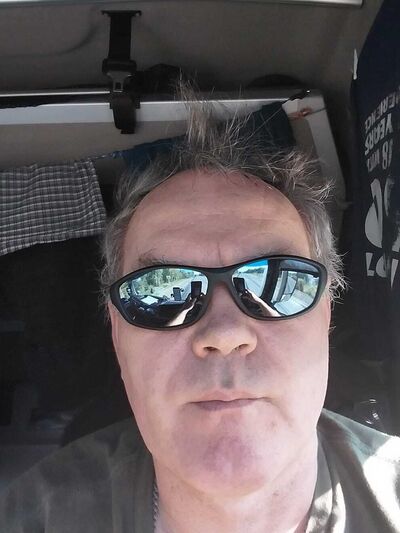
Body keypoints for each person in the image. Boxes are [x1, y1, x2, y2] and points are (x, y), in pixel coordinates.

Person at [1, 93, 400, 533]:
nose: (225, 333)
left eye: (275, 281)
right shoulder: (30, 517)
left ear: (325, 316)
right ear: (118, 335)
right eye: (161, 291)